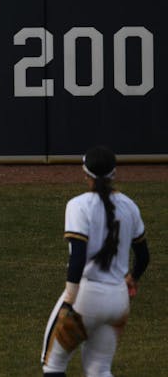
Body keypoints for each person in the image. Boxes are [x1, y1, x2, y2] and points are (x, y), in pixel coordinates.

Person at [40, 145, 150, 376]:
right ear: (114, 173)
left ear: (85, 173)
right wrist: (132, 278)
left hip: (86, 297)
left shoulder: (78, 205)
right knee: (99, 369)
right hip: (118, 301)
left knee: (53, 365)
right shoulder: (129, 206)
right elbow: (143, 256)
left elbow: (78, 258)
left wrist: (70, 301)